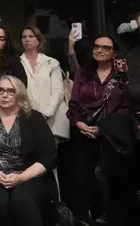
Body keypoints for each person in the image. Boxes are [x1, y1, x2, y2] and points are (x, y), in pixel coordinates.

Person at [0, 76, 56, 226]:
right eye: (1, 90)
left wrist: (21, 177)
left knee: (22, 200)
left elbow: (49, 156)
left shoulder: (34, 118)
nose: (4, 95)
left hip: (29, 176)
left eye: (10, 91)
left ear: (20, 94)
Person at [66, 35, 129, 224]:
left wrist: (106, 129)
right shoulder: (83, 73)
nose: (100, 50)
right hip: (84, 132)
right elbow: (73, 105)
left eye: (106, 48)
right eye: (97, 46)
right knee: (84, 179)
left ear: (114, 52)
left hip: (111, 136)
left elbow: (126, 108)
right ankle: (89, 217)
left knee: (108, 179)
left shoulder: (121, 75)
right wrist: (78, 124)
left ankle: (109, 215)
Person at [20, 27, 67, 138]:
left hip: (51, 119)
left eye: (31, 36)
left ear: (38, 40)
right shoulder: (17, 63)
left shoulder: (52, 63)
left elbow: (58, 91)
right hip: (25, 119)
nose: (27, 39)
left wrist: (46, 114)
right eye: (24, 37)